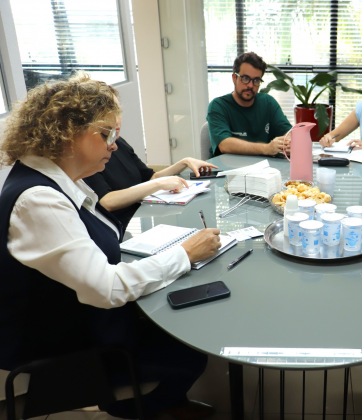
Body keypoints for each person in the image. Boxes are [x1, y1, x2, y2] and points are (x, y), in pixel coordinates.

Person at [0, 75, 222, 420]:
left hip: (86, 317)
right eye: (106, 134)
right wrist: (184, 254)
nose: (114, 145)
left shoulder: (58, 180)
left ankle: (165, 403)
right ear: (68, 132)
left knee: (181, 313)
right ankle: (132, 409)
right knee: (189, 353)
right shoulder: (39, 200)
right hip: (69, 343)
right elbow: (106, 288)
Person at [84, 94, 218, 233]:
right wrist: (158, 184)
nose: (116, 120)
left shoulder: (120, 142)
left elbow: (150, 177)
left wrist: (184, 162)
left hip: (143, 212)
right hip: (120, 224)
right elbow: (106, 202)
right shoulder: (93, 155)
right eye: (110, 114)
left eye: (118, 112)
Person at [206, 51, 293, 157]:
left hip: (265, 166)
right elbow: (224, 145)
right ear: (234, 78)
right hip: (228, 166)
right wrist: (266, 148)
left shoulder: (268, 102)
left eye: (256, 80)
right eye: (245, 78)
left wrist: (290, 143)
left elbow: (288, 133)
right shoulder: (218, 106)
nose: (251, 85)